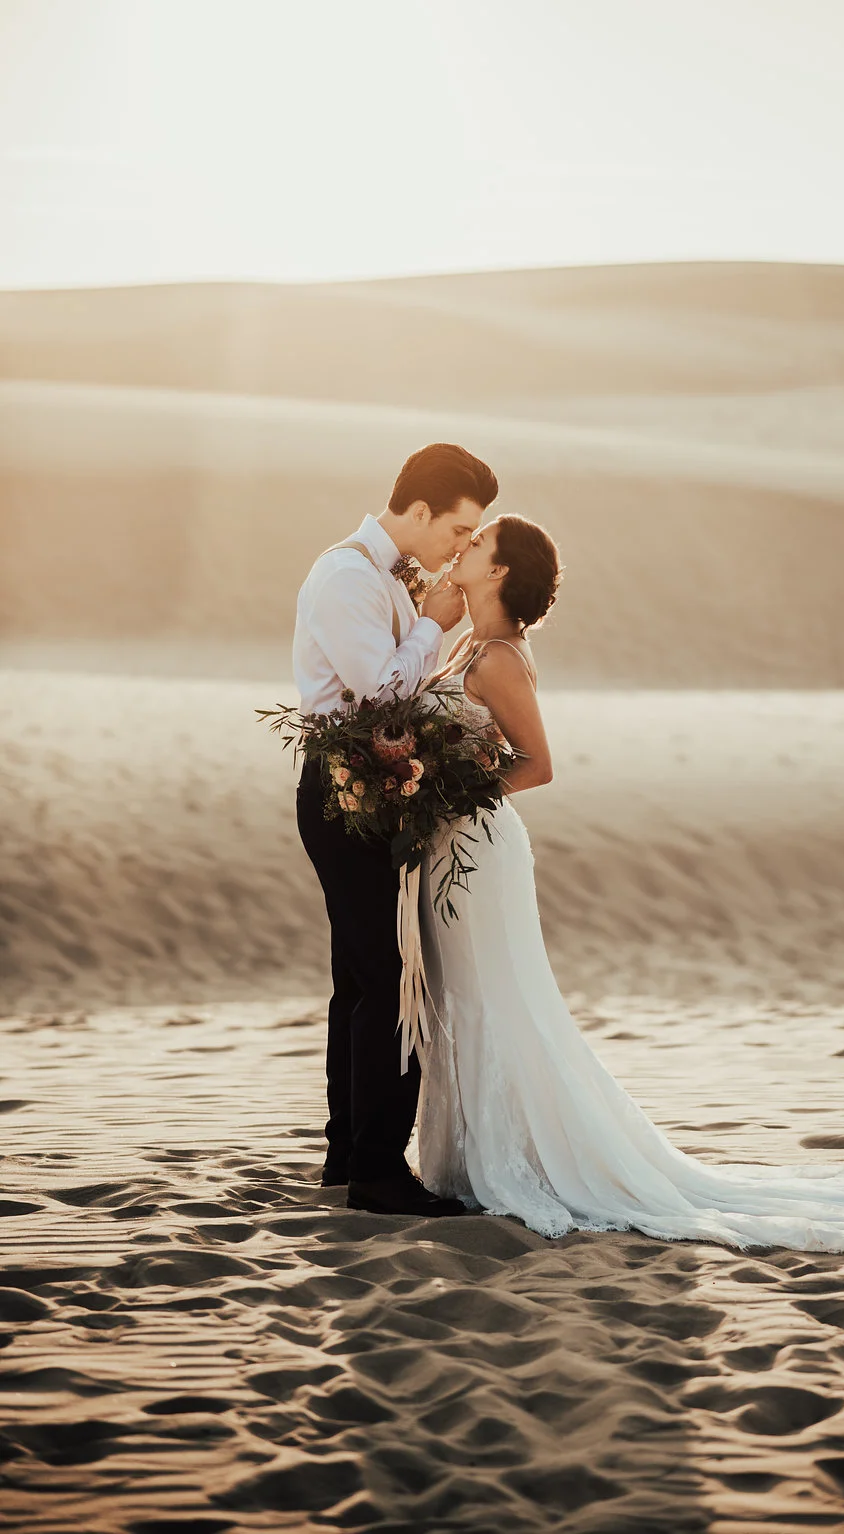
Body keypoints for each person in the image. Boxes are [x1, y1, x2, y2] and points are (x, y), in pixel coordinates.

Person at [415, 515, 844, 1252]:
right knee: (458, 993)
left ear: (503, 572)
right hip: (446, 848)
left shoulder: (503, 658)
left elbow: (538, 764)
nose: (465, 545)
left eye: (478, 544)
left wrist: (453, 796)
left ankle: (513, 1162)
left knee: (496, 996)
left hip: (479, 852)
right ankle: (468, 1156)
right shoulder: (465, 643)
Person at [293, 442, 497, 1217]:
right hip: (343, 789)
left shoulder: (385, 577)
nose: (459, 548)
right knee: (387, 980)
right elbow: (379, 696)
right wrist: (434, 624)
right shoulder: (347, 575)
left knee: (362, 978)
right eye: (458, 529)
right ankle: (377, 1171)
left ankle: (349, 1158)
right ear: (417, 511)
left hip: (367, 789)